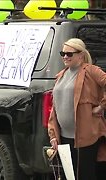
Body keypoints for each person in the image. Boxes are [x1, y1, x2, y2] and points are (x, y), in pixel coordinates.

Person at [48, 38, 106, 180]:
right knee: (69, 176)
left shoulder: (91, 71)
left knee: (84, 175)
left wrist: (101, 106)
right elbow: (55, 108)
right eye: (63, 54)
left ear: (81, 55)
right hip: (64, 137)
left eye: (69, 54)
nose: (65, 57)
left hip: (86, 136)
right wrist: (53, 135)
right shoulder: (61, 75)